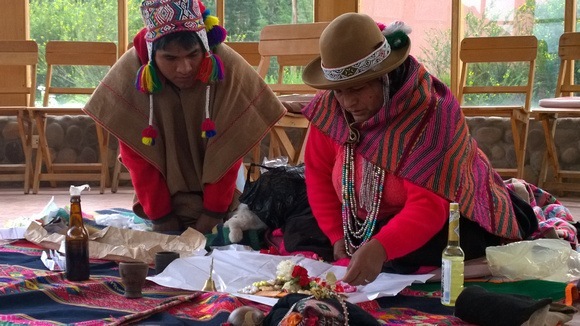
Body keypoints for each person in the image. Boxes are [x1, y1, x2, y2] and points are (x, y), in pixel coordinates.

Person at [300, 13, 538, 285]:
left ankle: (508, 193)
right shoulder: (331, 110)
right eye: (339, 91)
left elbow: (429, 205)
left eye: (357, 88)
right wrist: (336, 236)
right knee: (302, 232)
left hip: (445, 207)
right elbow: (318, 173)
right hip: (366, 218)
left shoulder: (430, 114)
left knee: (435, 248)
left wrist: (381, 247)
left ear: (385, 78)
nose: (348, 102)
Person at [84, 0, 286, 234]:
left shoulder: (225, 65)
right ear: (152, 55)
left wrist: (212, 213)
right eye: (170, 59)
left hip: (224, 191)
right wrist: (160, 216)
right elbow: (139, 158)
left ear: (205, 47)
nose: (185, 68)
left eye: (193, 55)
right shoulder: (131, 72)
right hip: (164, 191)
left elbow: (229, 151)